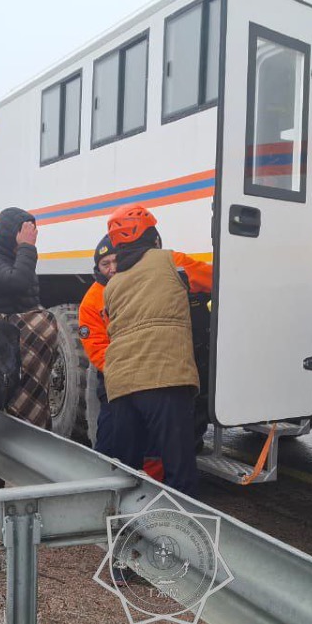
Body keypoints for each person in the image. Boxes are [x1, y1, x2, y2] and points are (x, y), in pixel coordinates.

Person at [78, 234, 212, 480]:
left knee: (158, 441)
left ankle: (156, 488)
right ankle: (110, 488)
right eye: (104, 264)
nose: (111, 268)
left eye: (114, 261)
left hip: (149, 369)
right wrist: (123, 367)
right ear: (97, 268)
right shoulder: (92, 299)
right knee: (112, 440)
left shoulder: (147, 279)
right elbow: (96, 346)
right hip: (116, 377)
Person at [101, 204, 208, 495]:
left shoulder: (111, 284)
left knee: (127, 473)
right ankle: (180, 533)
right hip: (165, 378)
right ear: (152, 236)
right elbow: (214, 279)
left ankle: (128, 532)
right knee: (179, 472)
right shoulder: (171, 261)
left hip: (121, 385)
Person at [0, 207, 58, 519]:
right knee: (7, 415)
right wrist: (27, 249)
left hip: (32, 357)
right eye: (28, 229)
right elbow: (17, 284)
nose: (33, 234)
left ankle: (24, 491)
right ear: (14, 232)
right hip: (10, 349)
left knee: (36, 413)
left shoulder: (19, 256)